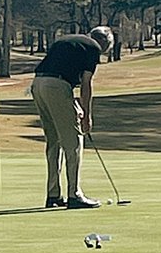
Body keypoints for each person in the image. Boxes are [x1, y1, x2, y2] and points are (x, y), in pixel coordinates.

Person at [31, 26, 114, 209]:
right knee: (74, 141)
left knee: (54, 141)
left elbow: (61, 75)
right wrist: (87, 116)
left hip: (38, 84)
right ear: (104, 43)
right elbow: (85, 84)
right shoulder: (93, 48)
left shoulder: (69, 40)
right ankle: (74, 195)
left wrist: (75, 106)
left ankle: (53, 195)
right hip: (56, 86)